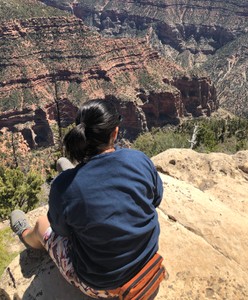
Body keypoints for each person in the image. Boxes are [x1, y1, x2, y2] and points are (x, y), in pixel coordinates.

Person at [10, 99, 165, 299]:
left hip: (103, 285)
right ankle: (78, 174)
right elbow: (156, 199)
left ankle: (25, 233)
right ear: (115, 132)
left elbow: (62, 231)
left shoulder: (62, 188)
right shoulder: (139, 159)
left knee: (42, 224)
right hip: (148, 259)